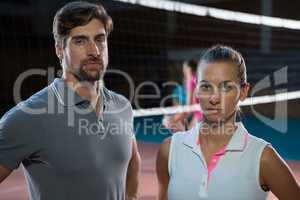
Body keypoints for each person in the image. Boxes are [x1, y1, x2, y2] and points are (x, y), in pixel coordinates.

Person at [0, 2, 141, 200]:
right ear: (59, 49)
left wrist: (132, 196)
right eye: (80, 41)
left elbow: (133, 159)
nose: (94, 50)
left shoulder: (122, 106)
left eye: (100, 39)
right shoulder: (28, 117)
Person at [156, 45, 300, 200]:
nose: (214, 98)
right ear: (196, 89)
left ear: (243, 92)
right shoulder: (169, 150)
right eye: (206, 86)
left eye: (226, 87)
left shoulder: (263, 158)